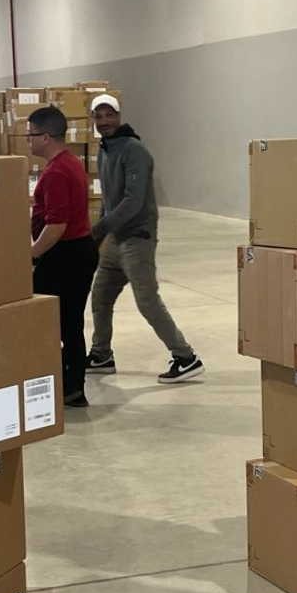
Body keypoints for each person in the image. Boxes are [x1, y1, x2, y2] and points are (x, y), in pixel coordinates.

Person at [85, 94, 204, 384]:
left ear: (119, 115)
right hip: (116, 240)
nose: (104, 121)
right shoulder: (105, 149)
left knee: (147, 300)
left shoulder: (134, 150)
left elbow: (133, 201)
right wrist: (101, 235)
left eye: (109, 115)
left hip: (137, 238)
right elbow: (109, 199)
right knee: (100, 296)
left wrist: (98, 229)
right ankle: (101, 354)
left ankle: (186, 357)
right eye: (99, 116)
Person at [27, 106, 97, 408]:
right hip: (79, 251)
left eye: (30, 135)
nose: (28, 140)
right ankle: (71, 387)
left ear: (45, 137)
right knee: (70, 322)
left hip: (65, 256)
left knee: (45, 321)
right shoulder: (71, 162)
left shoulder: (56, 172)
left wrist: (31, 256)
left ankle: (67, 385)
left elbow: (57, 225)